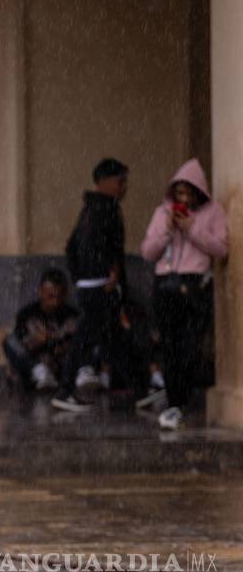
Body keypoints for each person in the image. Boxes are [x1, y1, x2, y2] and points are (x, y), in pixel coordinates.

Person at [140, 159, 228, 430]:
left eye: (189, 194)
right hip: (165, 283)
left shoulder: (213, 212)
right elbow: (147, 252)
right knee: (169, 345)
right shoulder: (162, 212)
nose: (184, 199)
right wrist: (168, 230)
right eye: (179, 193)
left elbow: (221, 248)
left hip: (194, 284)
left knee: (190, 345)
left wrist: (192, 229)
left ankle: (183, 398)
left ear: (199, 193)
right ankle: (174, 402)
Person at [54, 158, 129, 413]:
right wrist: (107, 275)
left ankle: (140, 387)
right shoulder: (105, 210)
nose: (124, 188)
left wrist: (81, 278)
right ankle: (65, 390)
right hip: (100, 286)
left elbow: (72, 247)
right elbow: (110, 250)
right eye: (120, 181)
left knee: (112, 337)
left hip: (93, 285)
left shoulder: (90, 209)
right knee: (88, 339)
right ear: (105, 182)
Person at [3, 269, 79, 392]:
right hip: (34, 364)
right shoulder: (27, 313)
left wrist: (60, 345)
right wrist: (36, 341)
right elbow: (20, 343)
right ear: (40, 292)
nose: (55, 302)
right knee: (9, 341)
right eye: (50, 296)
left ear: (65, 294)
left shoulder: (72, 315)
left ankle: (52, 377)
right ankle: (40, 373)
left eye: (59, 296)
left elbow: (76, 343)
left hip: (60, 365)